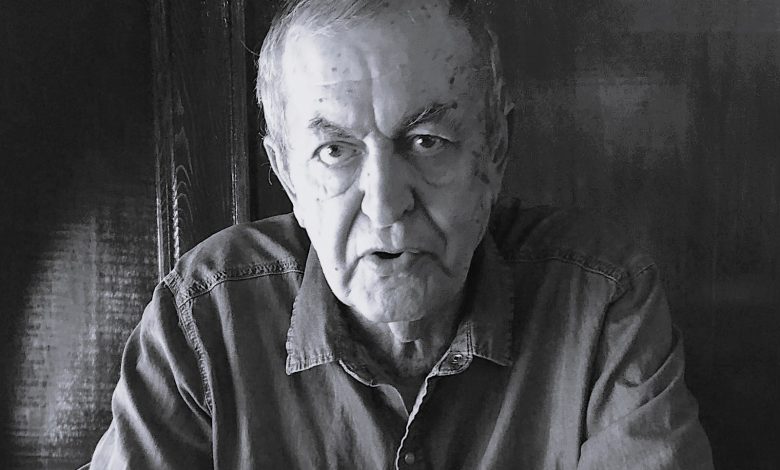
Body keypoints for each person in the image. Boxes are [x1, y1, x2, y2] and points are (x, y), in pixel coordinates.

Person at [88, 0, 713, 468]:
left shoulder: (601, 303)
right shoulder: (204, 320)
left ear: (495, 151)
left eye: (426, 142)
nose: (386, 206)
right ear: (287, 176)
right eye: (335, 151)